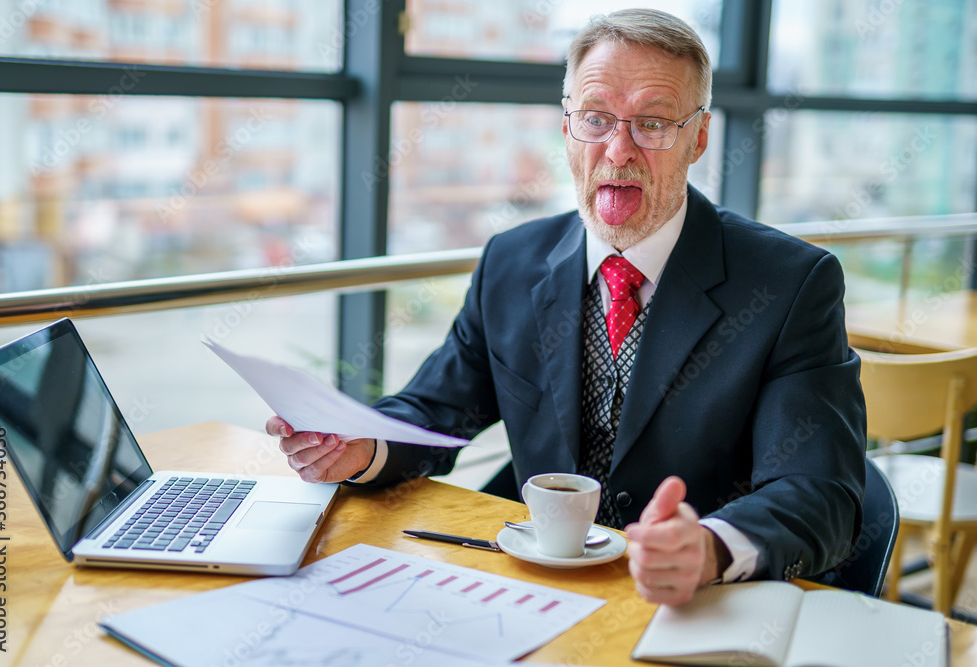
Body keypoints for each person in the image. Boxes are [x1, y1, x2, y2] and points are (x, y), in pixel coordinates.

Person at [267, 8, 866, 606]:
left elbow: (820, 491)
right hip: (532, 586)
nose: (619, 148)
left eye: (653, 123)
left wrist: (710, 546)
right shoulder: (512, 260)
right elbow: (434, 410)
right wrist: (360, 446)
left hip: (692, 602)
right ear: (567, 128)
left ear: (699, 138)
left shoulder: (790, 284)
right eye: (596, 118)